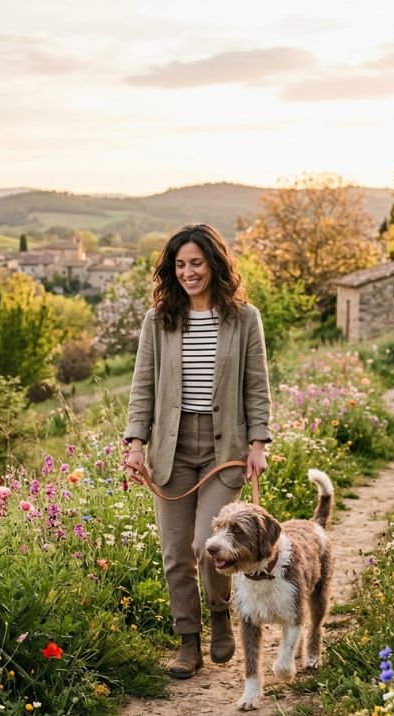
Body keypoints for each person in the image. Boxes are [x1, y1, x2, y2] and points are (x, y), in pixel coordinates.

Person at [123, 223, 271, 678]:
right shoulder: (159, 320)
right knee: (175, 553)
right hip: (171, 447)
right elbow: (143, 386)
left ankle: (221, 618)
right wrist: (134, 444)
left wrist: (258, 442)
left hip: (223, 448)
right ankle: (189, 642)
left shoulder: (244, 318)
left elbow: (256, 386)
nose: (188, 272)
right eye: (180, 265)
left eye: (196, 263)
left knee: (212, 546)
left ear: (214, 265)